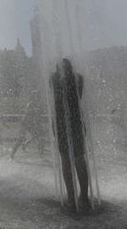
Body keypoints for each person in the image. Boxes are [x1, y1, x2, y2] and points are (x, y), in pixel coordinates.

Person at [50, 58, 90, 212]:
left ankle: (71, 199)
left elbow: (54, 91)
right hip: (77, 122)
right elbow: (78, 96)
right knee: (80, 158)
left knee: (66, 160)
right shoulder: (79, 78)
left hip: (61, 124)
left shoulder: (54, 79)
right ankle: (84, 198)